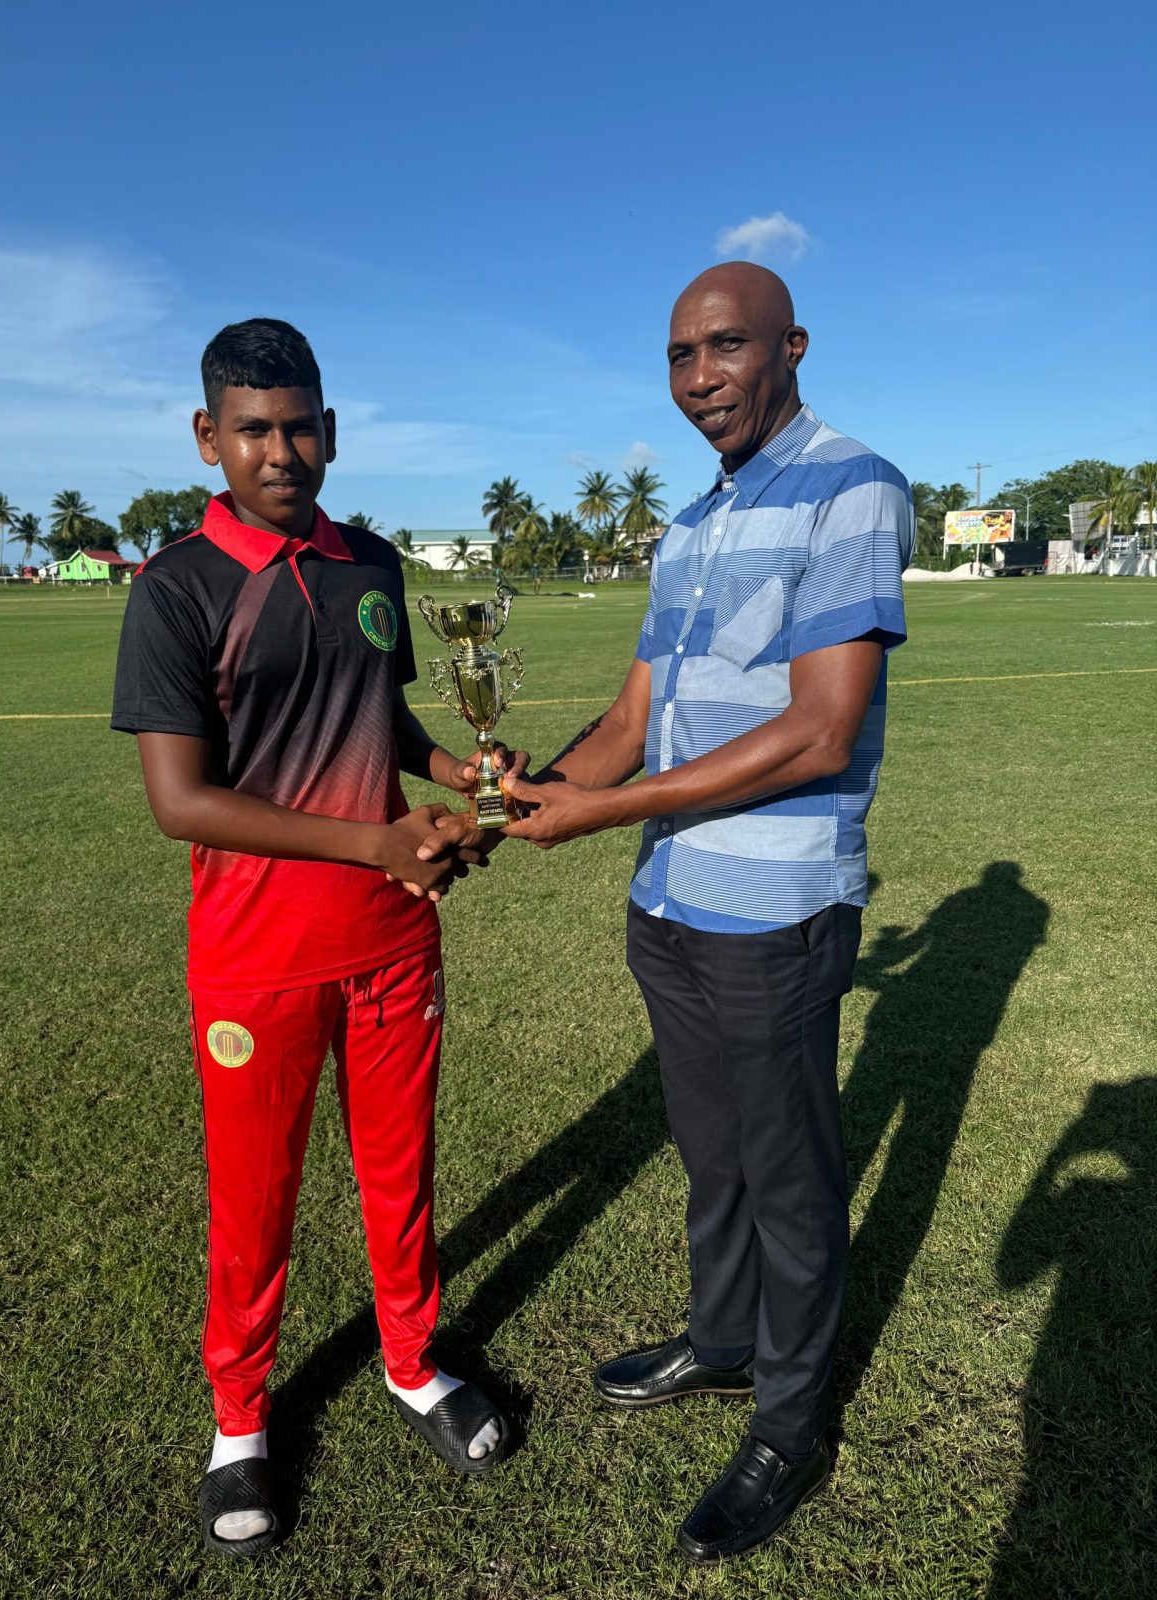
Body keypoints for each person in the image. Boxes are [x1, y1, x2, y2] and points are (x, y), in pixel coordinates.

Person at [493, 263, 914, 1560]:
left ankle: (789, 1423)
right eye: (680, 357)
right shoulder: (689, 524)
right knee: (712, 1154)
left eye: (725, 348)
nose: (699, 379)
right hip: (672, 902)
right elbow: (630, 720)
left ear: (790, 346)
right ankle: (725, 1342)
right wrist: (519, 801)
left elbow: (818, 729)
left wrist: (598, 815)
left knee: (789, 1179)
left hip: (774, 910)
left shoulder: (855, 486)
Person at [111, 318, 509, 1561]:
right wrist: (378, 844)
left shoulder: (372, 564)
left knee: (401, 1173)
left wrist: (460, 766)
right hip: (257, 955)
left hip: (396, 938)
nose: (280, 451)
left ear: (329, 429)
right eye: (253, 430)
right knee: (257, 1196)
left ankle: (409, 1361)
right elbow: (182, 798)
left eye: (299, 427)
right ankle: (240, 1422)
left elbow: (375, 713)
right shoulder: (176, 585)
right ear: (207, 438)